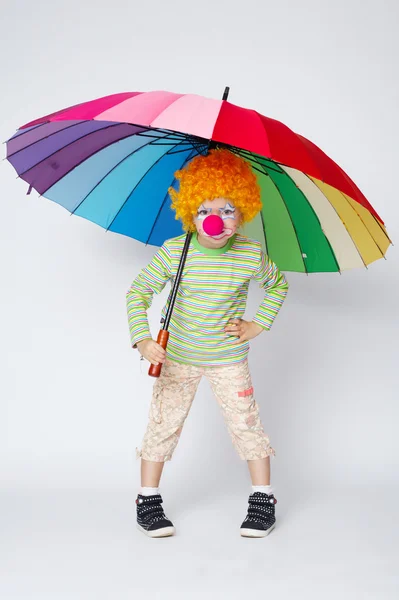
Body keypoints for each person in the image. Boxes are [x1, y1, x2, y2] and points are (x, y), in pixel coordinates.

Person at [126, 148, 289, 538]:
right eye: (204, 210)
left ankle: (263, 498)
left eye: (228, 209)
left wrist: (257, 324)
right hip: (178, 356)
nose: (216, 219)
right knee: (163, 424)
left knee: (247, 424)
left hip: (228, 359)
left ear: (243, 210)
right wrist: (143, 339)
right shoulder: (175, 251)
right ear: (190, 213)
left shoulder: (250, 253)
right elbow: (138, 292)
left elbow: (278, 284)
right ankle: (147, 498)